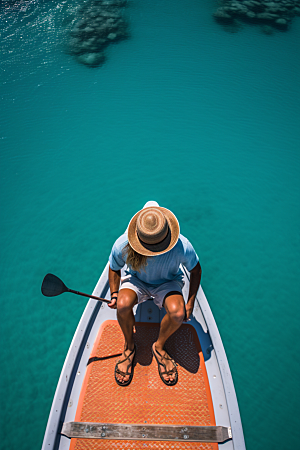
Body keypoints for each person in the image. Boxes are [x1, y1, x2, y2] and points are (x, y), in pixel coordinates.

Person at [108, 206, 201, 387]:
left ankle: (158, 347)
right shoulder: (122, 244)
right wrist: (114, 294)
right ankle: (129, 347)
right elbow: (114, 267)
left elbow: (195, 269)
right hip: (136, 280)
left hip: (167, 283)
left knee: (177, 313)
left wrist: (190, 302)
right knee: (122, 305)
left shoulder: (182, 245)